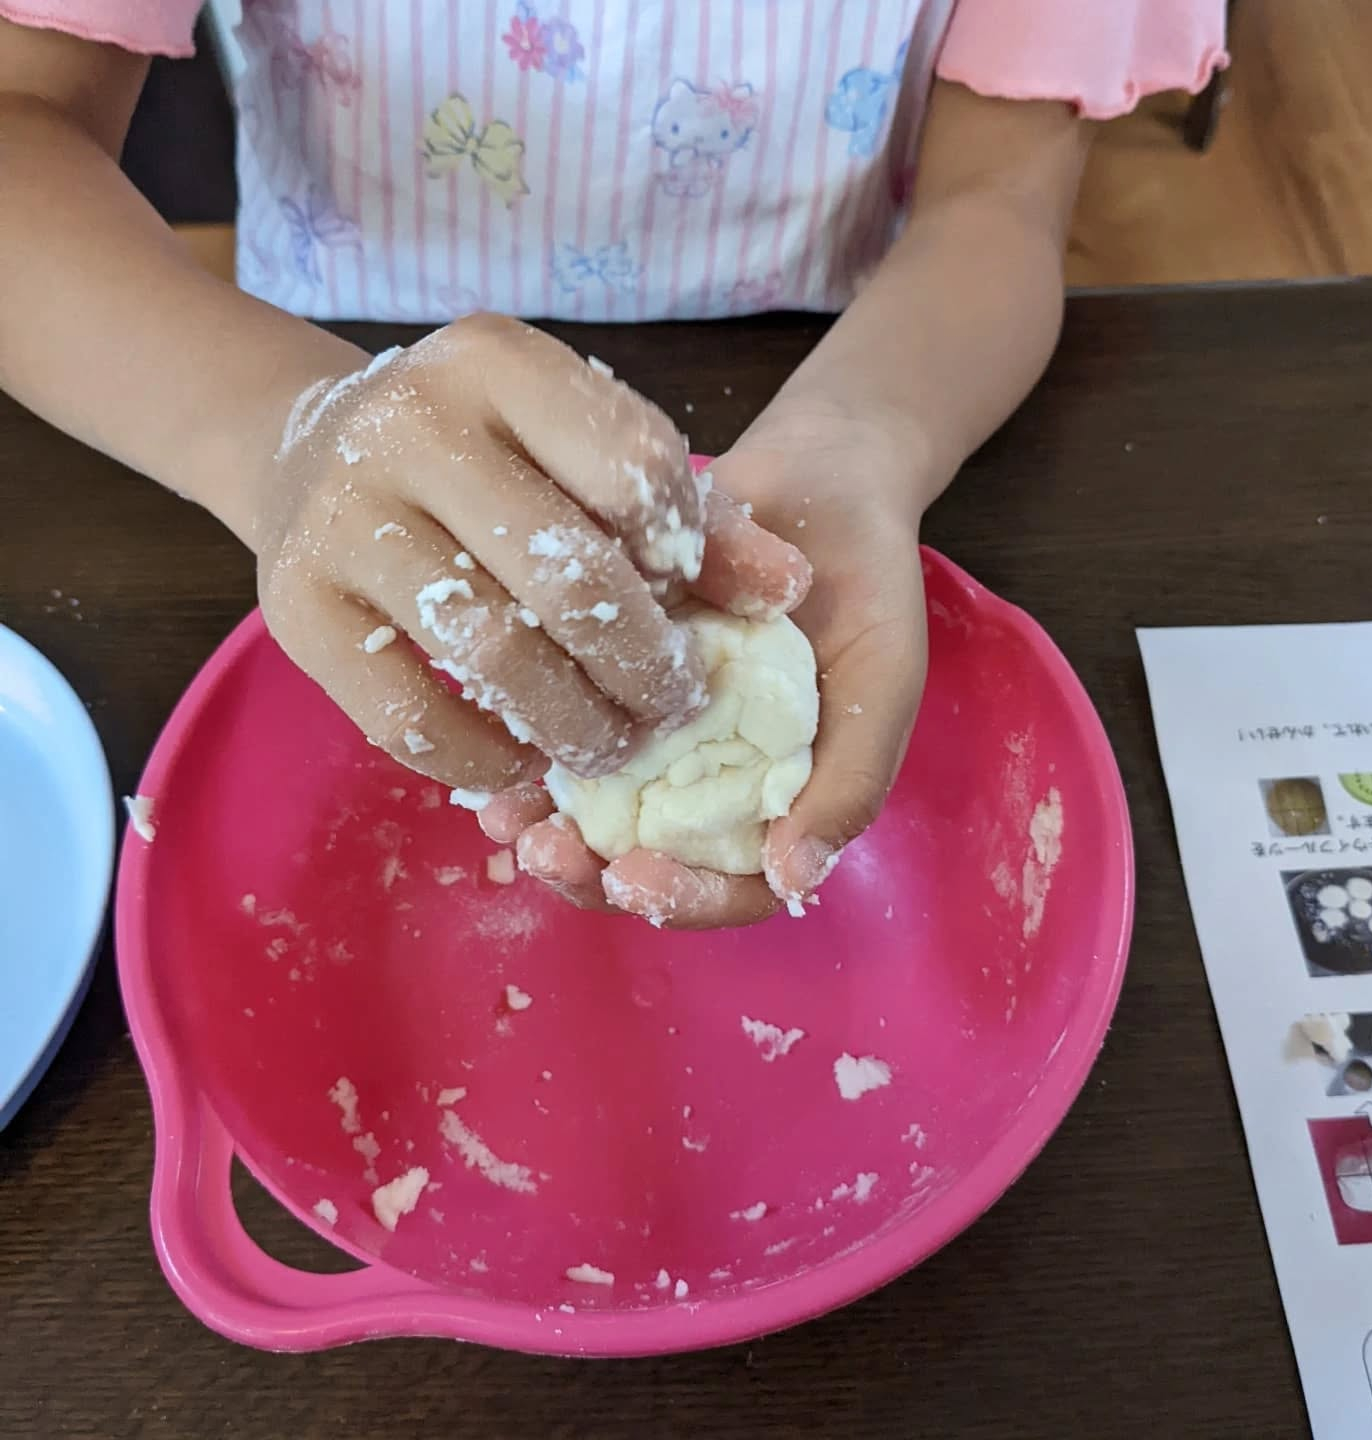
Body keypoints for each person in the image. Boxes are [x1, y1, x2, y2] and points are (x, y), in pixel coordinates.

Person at [0, 1, 1225, 926]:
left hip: (840, 353)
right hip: (317, 404)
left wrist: (863, 443)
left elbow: (999, 205)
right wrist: (279, 430)